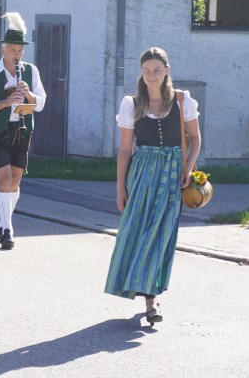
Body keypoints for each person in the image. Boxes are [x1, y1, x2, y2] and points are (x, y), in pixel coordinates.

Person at [105, 47, 201, 324]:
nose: (151, 75)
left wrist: (188, 167)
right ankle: (144, 294)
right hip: (142, 171)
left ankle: (151, 300)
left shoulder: (183, 102)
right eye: (147, 70)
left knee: (160, 235)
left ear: (167, 71)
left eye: (157, 70)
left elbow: (195, 138)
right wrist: (120, 188)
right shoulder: (132, 104)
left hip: (172, 173)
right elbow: (125, 150)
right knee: (137, 232)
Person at [0, 13, 46, 250]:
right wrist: (6, 103)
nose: (17, 54)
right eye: (13, 50)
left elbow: (42, 103)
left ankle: (3, 220)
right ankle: (8, 228)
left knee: (15, 180)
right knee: (3, 178)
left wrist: (27, 94)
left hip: (23, 129)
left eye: (20, 50)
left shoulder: (30, 71)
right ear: (3, 50)